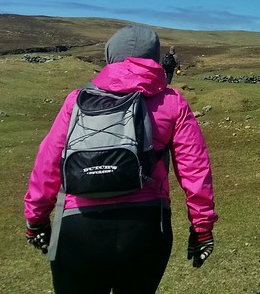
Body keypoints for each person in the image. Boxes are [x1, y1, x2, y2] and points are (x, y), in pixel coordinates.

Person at [24, 25, 217, 294]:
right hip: (146, 227)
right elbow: (195, 170)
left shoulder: (76, 99)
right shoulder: (172, 102)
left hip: (77, 225)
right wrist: (202, 227)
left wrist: (36, 219)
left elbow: (48, 162)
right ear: (154, 56)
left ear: (110, 53)